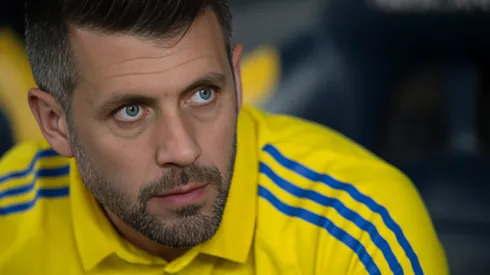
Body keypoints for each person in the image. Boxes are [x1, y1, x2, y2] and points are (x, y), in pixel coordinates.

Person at [0, 1, 448, 274]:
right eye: (131, 111)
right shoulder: (10, 218)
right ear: (55, 122)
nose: (183, 149)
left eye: (202, 94)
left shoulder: (359, 230)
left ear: (235, 79)